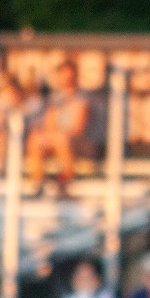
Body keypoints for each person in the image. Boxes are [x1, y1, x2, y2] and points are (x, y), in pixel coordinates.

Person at [23, 60, 94, 197]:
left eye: (69, 75)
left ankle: (66, 180)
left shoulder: (83, 98)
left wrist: (57, 135)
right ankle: (38, 182)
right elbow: (50, 123)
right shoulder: (54, 98)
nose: (66, 78)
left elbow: (78, 128)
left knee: (61, 139)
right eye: (63, 75)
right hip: (58, 137)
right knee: (36, 139)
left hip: (80, 141)